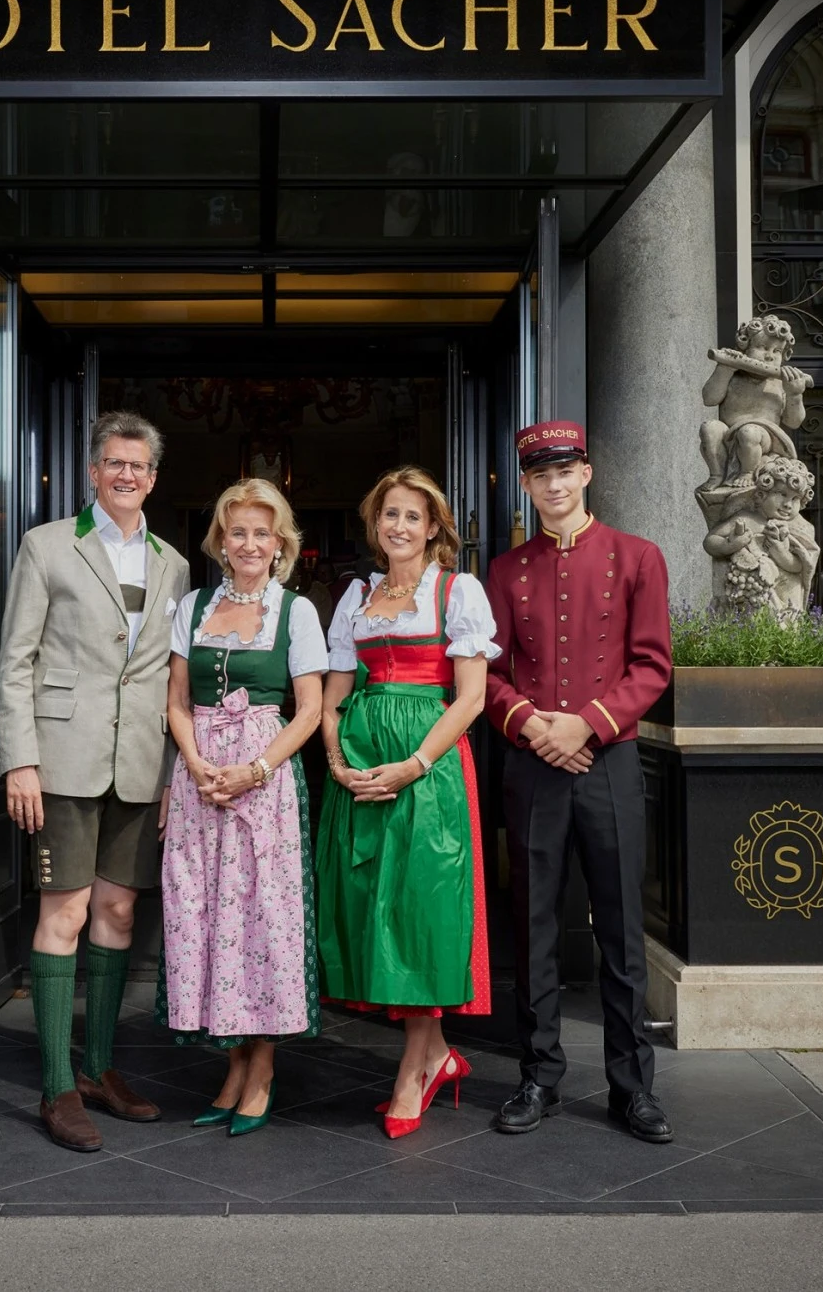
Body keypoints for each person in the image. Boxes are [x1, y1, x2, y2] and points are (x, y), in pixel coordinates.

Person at [0, 410, 191, 1153]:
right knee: (66, 914)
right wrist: (20, 758)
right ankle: (54, 1087)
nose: (127, 475)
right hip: (63, 760)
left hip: (140, 762)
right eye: (115, 463)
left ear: (152, 476)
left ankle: (99, 1069)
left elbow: (174, 680)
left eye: (139, 466)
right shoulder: (46, 545)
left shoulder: (173, 562)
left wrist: (174, 768)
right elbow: (15, 659)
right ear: (92, 470)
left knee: (116, 915)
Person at [484, 421, 675, 1144]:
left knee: (621, 931)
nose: (555, 485)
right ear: (527, 484)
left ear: (587, 473)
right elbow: (492, 674)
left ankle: (633, 1088)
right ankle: (539, 1076)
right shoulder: (506, 571)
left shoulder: (638, 557)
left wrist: (586, 725)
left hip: (610, 762)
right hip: (533, 766)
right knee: (532, 927)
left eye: (566, 471)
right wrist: (535, 726)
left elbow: (652, 665)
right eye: (541, 475)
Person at [315, 466, 498, 1139]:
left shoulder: (457, 590)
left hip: (429, 773)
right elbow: (335, 693)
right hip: (361, 772)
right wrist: (338, 761)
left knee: (422, 910)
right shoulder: (357, 596)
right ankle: (437, 1054)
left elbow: (472, 697)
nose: (399, 526)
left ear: (434, 527)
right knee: (378, 911)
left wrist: (413, 763)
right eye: (389, 513)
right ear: (376, 523)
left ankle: (416, 1070)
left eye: (412, 516)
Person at [157, 479, 328, 1137]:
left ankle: (261, 1069)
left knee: (261, 921)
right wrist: (195, 762)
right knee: (202, 914)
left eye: (263, 532)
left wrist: (256, 767)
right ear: (221, 541)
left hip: (265, 781)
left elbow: (309, 708)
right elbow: (175, 699)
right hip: (201, 778)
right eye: (238, 532)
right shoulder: (194, 605)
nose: (250, 542)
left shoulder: (296, 612)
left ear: (280, 543)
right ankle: (232, 1063)